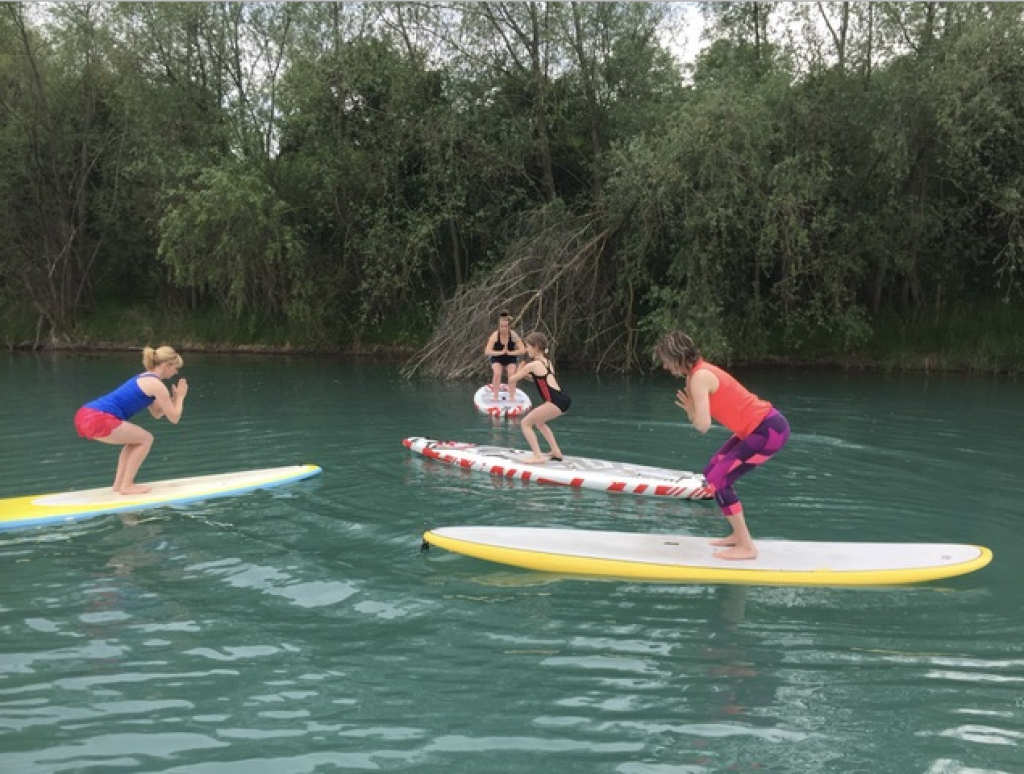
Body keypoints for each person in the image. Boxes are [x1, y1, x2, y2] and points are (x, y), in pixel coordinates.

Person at [654, 332, 789, 561]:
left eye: (666, 361)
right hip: (757, 430)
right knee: (711, 474)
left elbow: (703, 425)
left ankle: (747, 547)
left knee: (719, 479)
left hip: (769, 431)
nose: (665, 367)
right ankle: (737, 535)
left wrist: (691, 413)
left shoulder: (699, 377)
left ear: (677, 356)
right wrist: (693, 412)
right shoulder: (696, 375)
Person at [74, 346, 189, 495]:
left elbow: (157, 412)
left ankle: (119, 485)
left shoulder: (144, 378)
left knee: (135, 441)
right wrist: (180, 397)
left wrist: (174, 398)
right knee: (146, 439)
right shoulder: (157, 385)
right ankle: (127, 485)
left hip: (85, 414)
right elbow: (174, 418)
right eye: (175, 367)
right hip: (98, 417)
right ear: (166, 365)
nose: (176, 372)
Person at [508, 332, 571, 464]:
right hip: (563, 399)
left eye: (528, 346)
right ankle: (556, 451)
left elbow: (512, 380)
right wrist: (524, 374)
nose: (527, 350)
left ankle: (537, 456)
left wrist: (520, 370)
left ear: (535, 347)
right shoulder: (547, 362)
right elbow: (538, 379)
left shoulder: (532, 365)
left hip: (554, 401)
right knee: (539, 422)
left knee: (525, 423)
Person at [483, 310, 526, 402]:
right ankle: (495, 396)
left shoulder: (513, 335)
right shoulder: (495, 336)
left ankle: (512, 396)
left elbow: (523, 350)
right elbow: (487, 351)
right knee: (497, 373)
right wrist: (501, 352)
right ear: (499, 326)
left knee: (511, 374)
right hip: (497, 357)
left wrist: (509, 353)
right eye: (501, 326)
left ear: (509, 326)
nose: (504, 328)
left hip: (510, 357)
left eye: (506, 326)